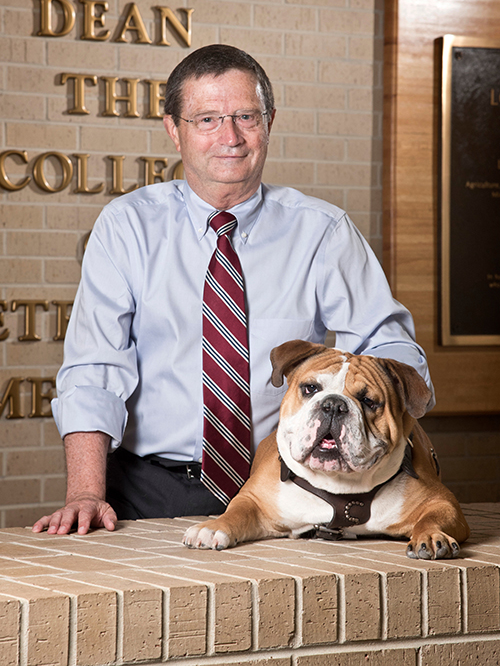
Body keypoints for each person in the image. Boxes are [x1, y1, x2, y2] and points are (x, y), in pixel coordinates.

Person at [32, 44, 434, 536]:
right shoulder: (127, 226)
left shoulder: (323, 232)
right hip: (150, 489)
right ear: (173, 130)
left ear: (269, 122)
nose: (230, 137)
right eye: (206, 119)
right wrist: (86, 494)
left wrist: (394, 443)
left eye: (246, 116)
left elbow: (389, 348)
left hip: (292, 488)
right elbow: (95, 371)